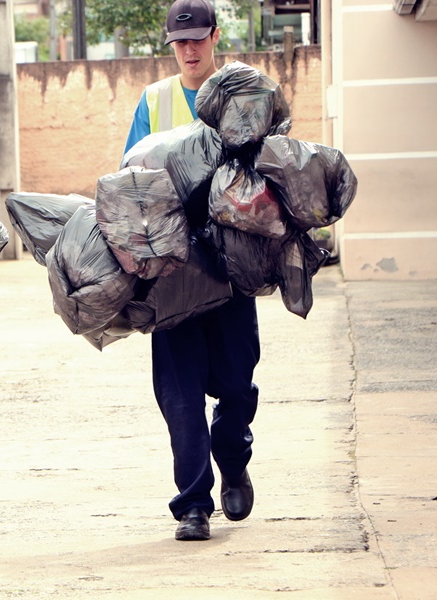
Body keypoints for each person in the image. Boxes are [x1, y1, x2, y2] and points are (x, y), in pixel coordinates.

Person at [122, 0, 258, 541]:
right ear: (171, 45)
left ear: (216, 36)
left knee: (235, 384)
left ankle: (234, 458)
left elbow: (266, 166)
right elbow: (128, 180)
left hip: (229, 268)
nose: (190, 49)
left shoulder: (242, 93)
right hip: (171, 272)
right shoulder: (153, 100)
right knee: (179, 395)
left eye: (198, 38)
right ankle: (194, 504)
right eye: (180, 42)